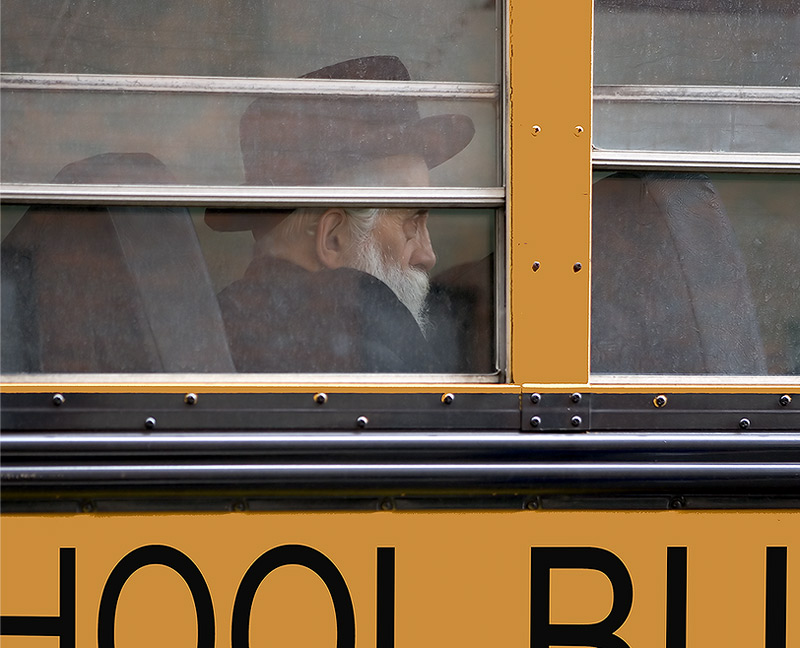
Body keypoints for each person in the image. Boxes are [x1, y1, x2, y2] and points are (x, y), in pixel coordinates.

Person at [206, 56, 476, 372]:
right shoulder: (362, 357)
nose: (428, 256)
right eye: (410, 225)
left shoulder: (214, 332)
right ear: (333, 238)